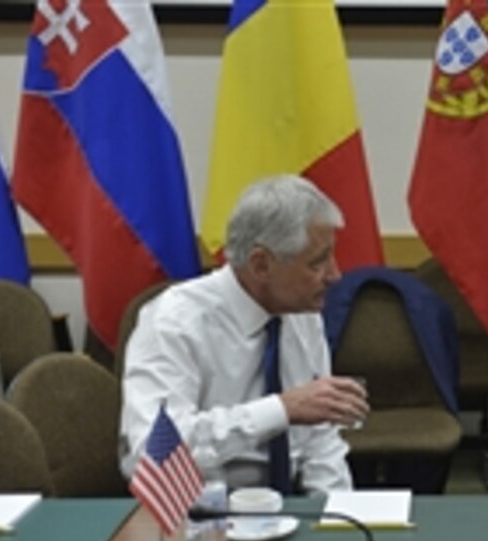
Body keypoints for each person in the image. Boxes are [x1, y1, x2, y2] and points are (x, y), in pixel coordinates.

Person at [119, 175, 368, 494]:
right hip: (202, 514)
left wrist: (337, 520)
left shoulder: (300, 311)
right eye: (317, 263)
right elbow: (155, 455)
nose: (335, 275)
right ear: (261, 265)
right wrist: (278, 410)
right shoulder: (174, 322)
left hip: (288, 512)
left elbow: (320, 444)